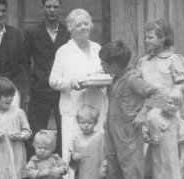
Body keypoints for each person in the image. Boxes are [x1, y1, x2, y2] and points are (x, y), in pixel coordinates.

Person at [49, 8, 108, 167]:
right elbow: (53, 80)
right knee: (73, 150)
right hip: (74, 107)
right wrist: (70, 83)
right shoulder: (64, 51)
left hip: (97, 104)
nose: (83, 27)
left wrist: (104, 77)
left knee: (97, 147)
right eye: (78, 25)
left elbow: (106, 71)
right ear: (70, 29)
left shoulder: (97, 48)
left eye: (86, 23)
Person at [99, 40, 166, 179]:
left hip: (128, 136)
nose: (101, 65)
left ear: (114, 65)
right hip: (112, 134)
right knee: (113, 170)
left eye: (103, 63)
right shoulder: (116, 78)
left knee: (131, 171)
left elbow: (159, 94)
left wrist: (143, 114)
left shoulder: (132, 80)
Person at [23, 0, 70, 158]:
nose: (51, 10)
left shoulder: (68, 32)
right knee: (35, 130)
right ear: (42, 8)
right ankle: (33, 167)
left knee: (64, 128)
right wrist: (30, 85)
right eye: (48, 6)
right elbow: (24, 60)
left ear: (60, 8)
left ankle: (62, 165)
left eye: (55, 7)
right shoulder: (32, 32)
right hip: (39, 89)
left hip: (62, 89)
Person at [0, 77, 32, 179]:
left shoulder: (18, 113)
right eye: (5, 96)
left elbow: (28, 131)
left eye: (11, 95)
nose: (9, 98)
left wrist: (20, 136)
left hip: (16, 154)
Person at [143, 87, 184, 179]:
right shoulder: (152, 119)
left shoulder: (179, 122)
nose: (173, 106)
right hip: (155, 159)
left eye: (177, 105)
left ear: (180, 107)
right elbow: (143, 133)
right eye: (170, 103)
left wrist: (182, 159)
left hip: (172, 161)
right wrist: (149, 139)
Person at [137, 19, 184, 99]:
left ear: (162, 37)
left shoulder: (173, 60)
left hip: (169, 107)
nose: (146, 40)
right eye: (146, 37)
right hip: (147, 108)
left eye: (150, 37)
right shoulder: (143, 62)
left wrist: (170, 92)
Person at [68, 105, 107, 179]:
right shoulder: (76, 139)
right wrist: (73, 156)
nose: (86, 125)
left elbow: (107, 154)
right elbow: (70, 153)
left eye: (90, 122)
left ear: (95, 122)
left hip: (97, 171)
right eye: (83, 122)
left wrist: (105, 166)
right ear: (78, 122)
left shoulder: (100, 137)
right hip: (82, 172)